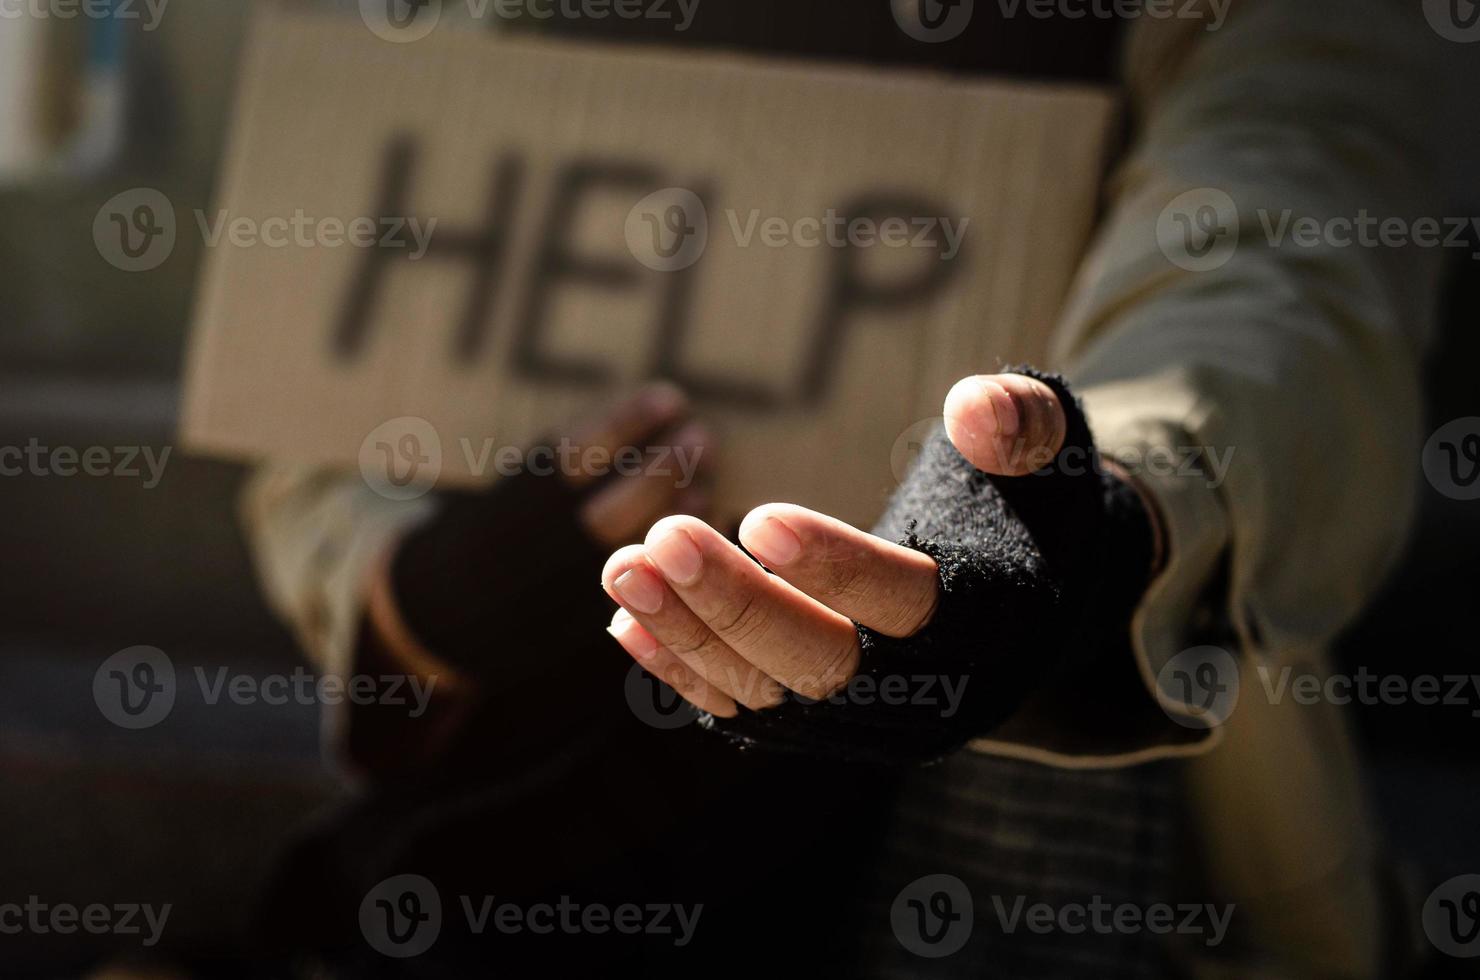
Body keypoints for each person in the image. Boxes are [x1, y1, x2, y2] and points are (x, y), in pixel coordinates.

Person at [241, 0, 1445, 974]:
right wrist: (412, 588)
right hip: (535, 818)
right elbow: (338, 366)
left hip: (1042, 819)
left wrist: (1117, 515)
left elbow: (1286, 216)